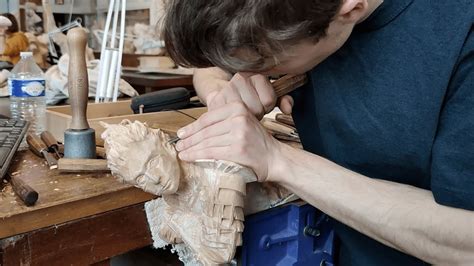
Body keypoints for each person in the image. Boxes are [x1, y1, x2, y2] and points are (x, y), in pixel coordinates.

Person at [162, 0, 474, 265]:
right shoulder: (290, 16)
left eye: (265, 62)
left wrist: (278, 160)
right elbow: (210, 63)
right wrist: (220, 92)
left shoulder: (460, 35)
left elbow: (466, 241)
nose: (250, 73)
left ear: (350, 9)